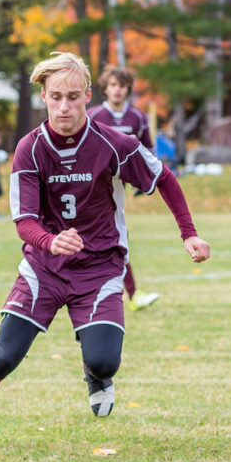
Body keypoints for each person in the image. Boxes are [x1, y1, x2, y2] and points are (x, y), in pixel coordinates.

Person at [0, 52, 210, 421]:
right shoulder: (29, 148)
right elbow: (25, 221)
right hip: (44, 267)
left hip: (100, 267)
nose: (64, 106)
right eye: (56, 96)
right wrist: (50, 240)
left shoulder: (114, 143)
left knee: (105, 360)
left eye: (73, 97)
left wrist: (189, 234)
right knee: (4, 356)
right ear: (43, 96)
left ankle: (97, 376)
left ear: (88, 96)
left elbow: (164, 178)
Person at [87, 65, 161, 311]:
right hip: (90, 188)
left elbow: (148, 150)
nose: (117, 90)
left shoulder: (137, 117)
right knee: (111, 237)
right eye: (113, 85)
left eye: (122, 85)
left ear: (128, 88)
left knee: (117, 237)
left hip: (118, 189)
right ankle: (128, 294)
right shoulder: (94, 116)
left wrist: (142, 179)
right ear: (105, 89)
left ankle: (129, 294)